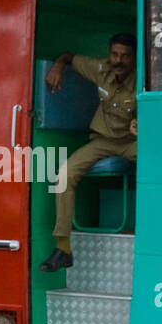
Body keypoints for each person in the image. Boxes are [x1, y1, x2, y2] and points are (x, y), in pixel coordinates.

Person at [39, 33, 138, 272]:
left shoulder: (145, 79)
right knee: (63, 176)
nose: (119, 60)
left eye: (125, 56)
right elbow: (68, 56)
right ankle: (63, 248)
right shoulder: (100, 69)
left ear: (134, 58)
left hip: (133, 142)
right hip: (102, 140)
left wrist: (144, 121)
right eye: (115, 54)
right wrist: (58, 66)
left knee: (160, 168)